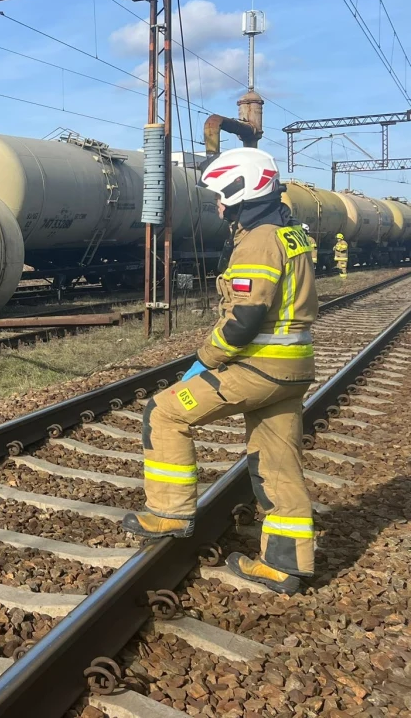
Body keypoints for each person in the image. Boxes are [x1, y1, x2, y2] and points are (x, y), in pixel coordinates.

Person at [122, 147, 318, 594]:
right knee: (278, 463)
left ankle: (169, 512)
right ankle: (286, 565)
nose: (218, 205)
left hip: (260, 367)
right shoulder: (292, 235)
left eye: (220, 196)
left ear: (241, 189)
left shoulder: (258, 240)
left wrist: (205, 361)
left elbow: (244, 320)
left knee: (164, 413)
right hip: (293, 367)